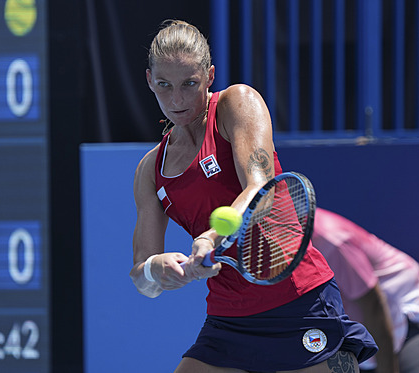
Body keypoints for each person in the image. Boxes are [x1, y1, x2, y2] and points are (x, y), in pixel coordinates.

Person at [129, 20, 377, 373]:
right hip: (229, 320)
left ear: (210, 75)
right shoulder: (149, 170)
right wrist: (158, 271)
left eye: (190, 84)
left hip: (298, 300)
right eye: (165, 85)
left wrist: (212, 236)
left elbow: (261, 189)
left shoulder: (236, 104)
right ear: (150, 80)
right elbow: (140, 274)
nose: (177, 99)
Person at [311, 208, 419, 373]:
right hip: (359, 333)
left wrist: (387, 369)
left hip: (406, 309)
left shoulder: (330, 242)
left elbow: (373, 305)